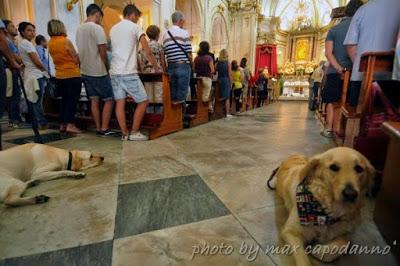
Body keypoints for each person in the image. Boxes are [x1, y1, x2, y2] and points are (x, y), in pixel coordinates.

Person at [110, 4, 160, 141]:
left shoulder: (113, 29)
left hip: (114, 72)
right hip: (128, 73)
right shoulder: (135, 28)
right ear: (132, 15)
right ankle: (135, 131)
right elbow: (147, 50)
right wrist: (156, 67)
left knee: (119, 103)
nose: (137, 20)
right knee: (143, 101)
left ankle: (124, 134)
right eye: (137, 17)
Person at [344, 0, 400, 107]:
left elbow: (351, 45)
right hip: (394, 78)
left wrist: (361, 65)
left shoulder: (363, 9)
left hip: (363, 77)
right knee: (392, 120)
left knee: (361, 118)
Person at [321, 0, 364, 138]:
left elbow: (328, 53)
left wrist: (339, 68)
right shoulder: (360, 27)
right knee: (347, 102)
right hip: (354, 71)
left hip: (335, 71)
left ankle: (328, 128)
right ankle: (341, 130)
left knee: (332, 101)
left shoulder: (334, 29)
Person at [76, 3, 115, 136]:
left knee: (93, 99)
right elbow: (103, 51)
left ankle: (98, 127)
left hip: (85, 69)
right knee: (109, 99)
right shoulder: (97, 28)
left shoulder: (79, 28)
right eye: (100, 17)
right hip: (98, 70)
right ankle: (104, 128)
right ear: (97, 14)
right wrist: (107, 67)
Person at [48, 19, 82, 134]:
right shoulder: (65, 41)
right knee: (72, 101)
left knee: (64, 101)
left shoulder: (50, 42)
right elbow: (76, 59)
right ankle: (71, 125)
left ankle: (62, 124)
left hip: (60, 75)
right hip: (72, 74)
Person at [18, 21, 48, 129]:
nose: (32, 33)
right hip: (36, 75)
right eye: (29, 30)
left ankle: (38, 121)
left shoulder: (22, 43)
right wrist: (46, 71)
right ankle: (41, 122)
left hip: (31, 74)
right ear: (22, 32)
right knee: (37, 101)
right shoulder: (27, 44)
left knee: (35, 100)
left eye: (33, 30)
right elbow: (37, 61)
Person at [163, 11, 192, 104]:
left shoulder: (165, 34)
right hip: (182, 66)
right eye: (183, 21)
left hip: (170, 67)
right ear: (180, 21)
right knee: (182, 95)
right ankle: (180, 117)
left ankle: (173, 117)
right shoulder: (184, 33)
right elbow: (189, 52)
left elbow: (165, 52)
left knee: (172, 94)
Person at [138, 24, 166, 114]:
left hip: (147, 73)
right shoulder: (159, 46)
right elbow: (162, 61)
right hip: (157, 72)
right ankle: (158, 115)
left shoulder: (143, 46)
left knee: (148, 95)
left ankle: (150, 115)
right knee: (158, 95)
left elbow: (141, 61)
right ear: (157, 35)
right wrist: (164, 71)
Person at [3, 20, 23, 128]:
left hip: (13, 69)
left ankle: (15, 119)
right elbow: (16, 57)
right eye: (12, 26)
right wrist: (18, 60)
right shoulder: (6, 41)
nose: (15, 28)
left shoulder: (11, 42)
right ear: (5, 29)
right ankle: (14, 120)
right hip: (11, 69)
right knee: (14, 95)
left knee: (15, 95)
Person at [216, 49, 232, 117]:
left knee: (219, 96)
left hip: (219, 80)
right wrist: (231, 82)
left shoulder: (217, 63)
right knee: (227, 98)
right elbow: (229, 74)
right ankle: (227, 113)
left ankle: (218, 112)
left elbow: (214, 72)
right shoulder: (228, 63)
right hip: (226, 80)